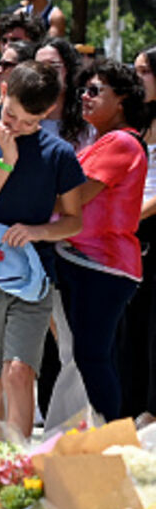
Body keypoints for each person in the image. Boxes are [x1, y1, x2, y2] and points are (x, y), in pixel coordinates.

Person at [0, 61, 85, 438]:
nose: (14, 126)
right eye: (10, 114)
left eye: (27, 121)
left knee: (20, 372)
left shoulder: (58, 153)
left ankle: (21, 468)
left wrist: (38, 231)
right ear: (3, 92)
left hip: (33, 279)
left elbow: (74, 220)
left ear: (46, 114)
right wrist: (5, 164)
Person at [55, 60, 147, 421]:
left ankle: (115, 437)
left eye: (95, 91)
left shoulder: (121, 142)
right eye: (83, 90)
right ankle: (108, 435)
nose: (84, 97)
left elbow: (73, 198)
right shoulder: (102, 140)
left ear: (122, 99)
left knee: (92, 356)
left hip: (103, 265)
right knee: (92, 356)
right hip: (84, 262)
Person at [121, 46, 156, 419]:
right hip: (128, 231)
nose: (137, 77)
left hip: (145, 224)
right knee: (130, 324)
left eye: (144, 71)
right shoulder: (134, 120)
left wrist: (132, 215)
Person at [35, 38, 91, 150]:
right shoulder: (21, 122)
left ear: (69, 70)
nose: (45, 73)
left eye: (54, 66)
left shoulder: (88, 125)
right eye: (38, 67)